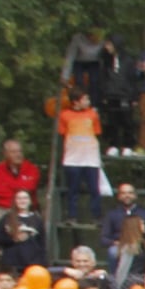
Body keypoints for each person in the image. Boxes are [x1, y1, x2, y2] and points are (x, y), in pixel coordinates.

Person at [57, 89, 106, 224]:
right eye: (85, 99)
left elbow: (97, 132)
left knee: (94, 189)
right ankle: (72, 216)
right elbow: (62, 133)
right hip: (72, 159)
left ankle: (97, 216)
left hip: (91, 158)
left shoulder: (92, 114)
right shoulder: (65, 115)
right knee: (73, 189)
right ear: (76, 102)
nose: (88, 102)